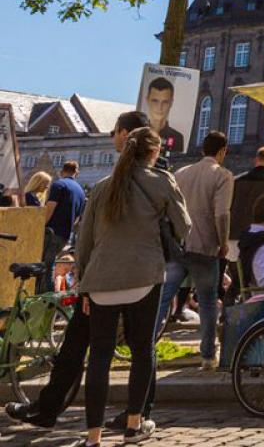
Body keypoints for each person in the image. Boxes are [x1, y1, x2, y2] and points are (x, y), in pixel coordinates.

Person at [5, 111, 157, 434]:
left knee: (118, 345)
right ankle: (124, 415)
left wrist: (86, 279)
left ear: (126, 134)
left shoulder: (139, 176)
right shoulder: (143, 174)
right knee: (95, 343)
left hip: (116, 275)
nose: (113, 138)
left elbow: (89, 234)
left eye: (115, 132)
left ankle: (131, 415)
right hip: (132, 275)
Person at [75, 127, 191, 447]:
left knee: (98, 356)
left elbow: (84, 241)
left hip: (100, 279)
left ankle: (93, 436)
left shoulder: (101, 187)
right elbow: (184, 227)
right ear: (154, 153)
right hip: (143, 276)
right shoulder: (161, 181)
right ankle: (134, 424)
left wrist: (84, 285)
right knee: (142, 349)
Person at [170, 130, 232, 370]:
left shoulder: (181, 173)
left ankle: (144, 349)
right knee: (207, 303)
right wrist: (223, 241)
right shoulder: (223, 176)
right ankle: (207, 356)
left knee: (164, 298)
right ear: (222, 151)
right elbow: (222, 213)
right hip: (206, 247)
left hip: (179, 245)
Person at [38, 161, 86, 295]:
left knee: (44, 268)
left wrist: (41, 227)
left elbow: (50, 208)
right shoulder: (81, 192)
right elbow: (77, 218)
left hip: (51, 232)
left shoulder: (59, 184)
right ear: (76, 173)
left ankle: (47, 302)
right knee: (50, 266)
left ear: (62, 171)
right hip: (64, 235)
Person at [142, 76, 185, 157]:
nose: (159, 107)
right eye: (155, 101)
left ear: (171, 103)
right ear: (147, 100)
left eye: (165, 102)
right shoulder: (139, 134)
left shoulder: (177, 138)